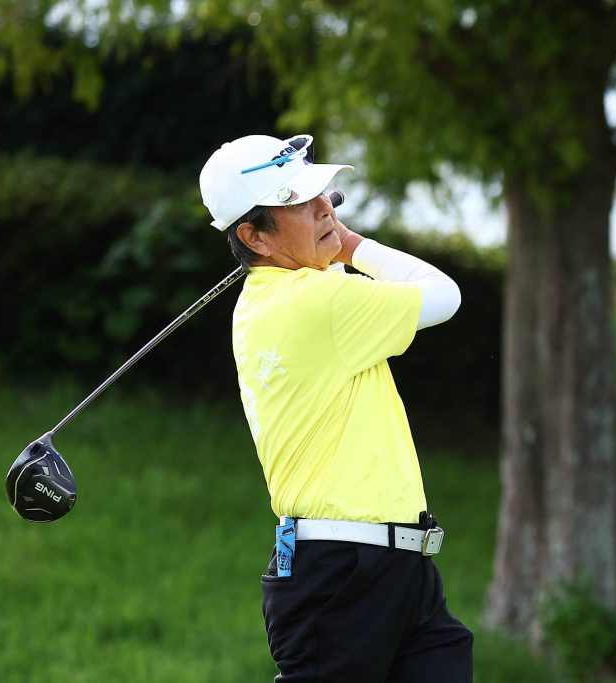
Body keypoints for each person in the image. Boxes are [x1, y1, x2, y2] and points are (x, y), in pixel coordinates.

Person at [198, 133, 474, 683]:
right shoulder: (315, 302)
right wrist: (350, 245)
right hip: (342, 574)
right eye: (299, 201)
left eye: (320, 193)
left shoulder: (275, 299)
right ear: (253, 236)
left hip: (394, 566)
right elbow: (445, 295)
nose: (325, 207)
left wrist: (329, 250)